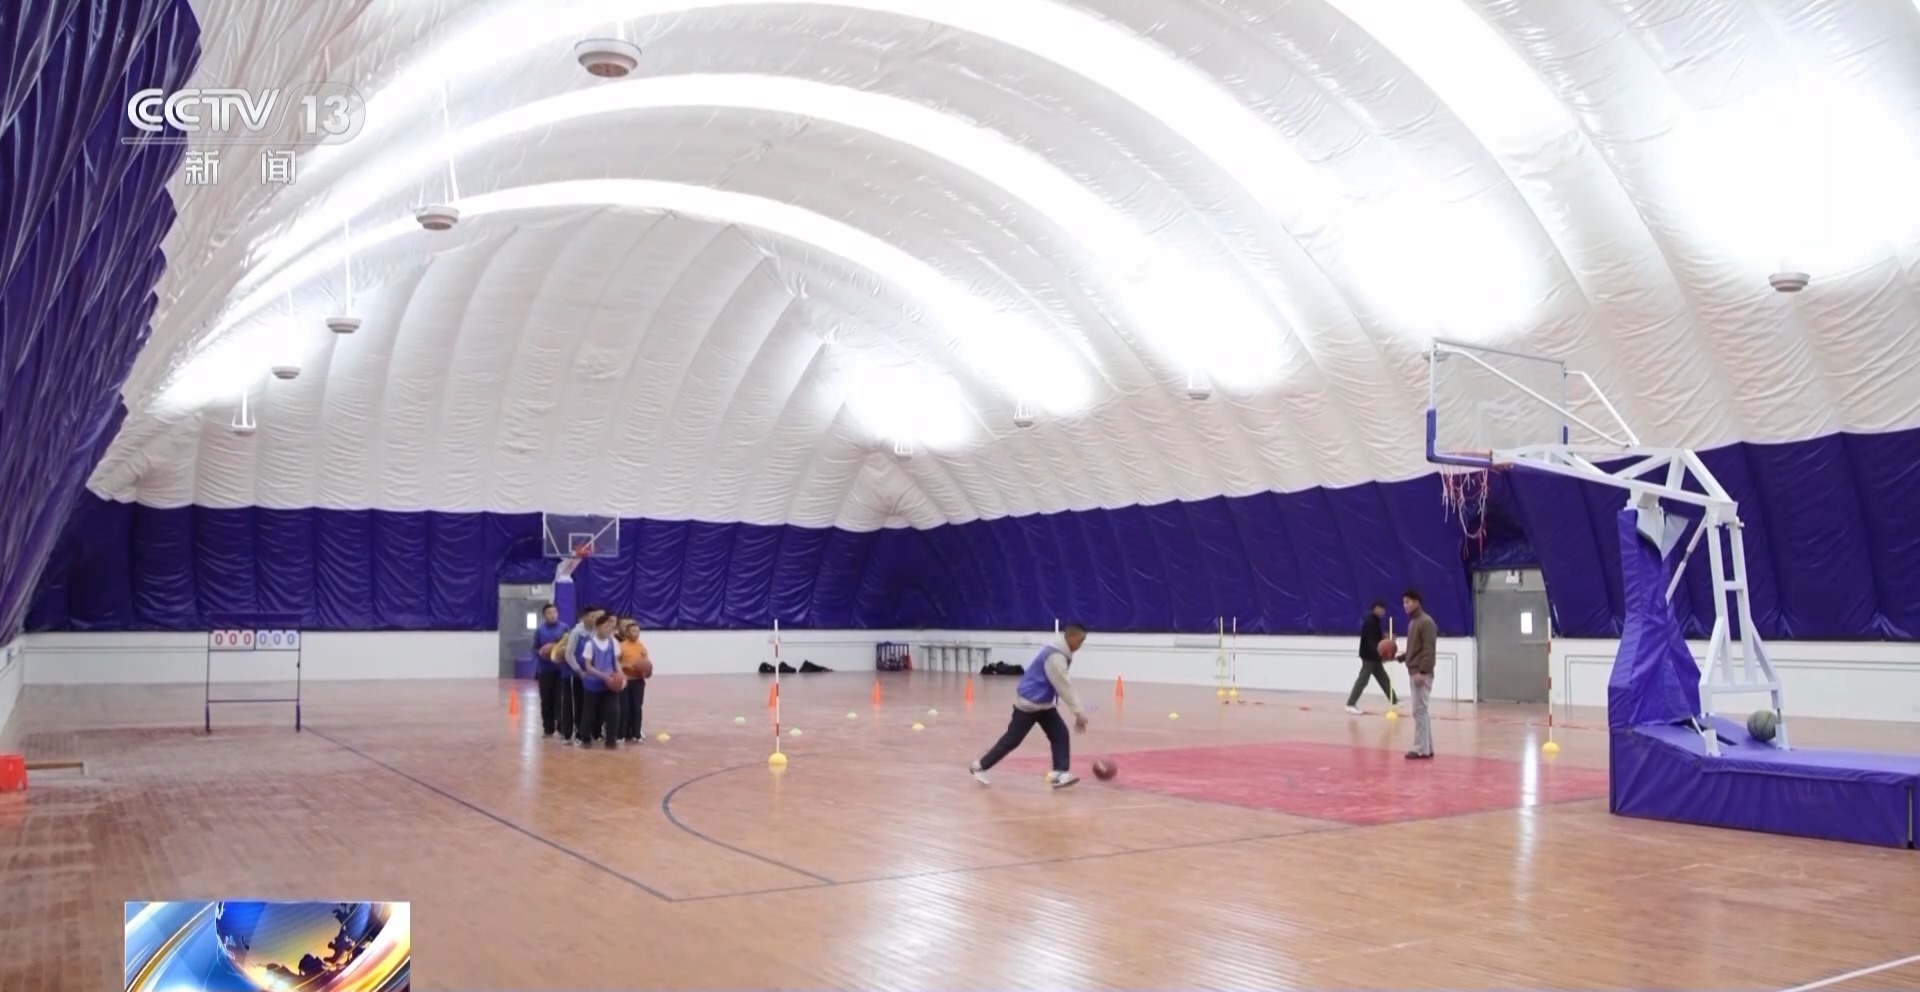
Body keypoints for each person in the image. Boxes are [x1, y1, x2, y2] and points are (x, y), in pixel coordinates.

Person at [969, 623, 1089, 789]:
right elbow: (1064, 686)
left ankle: (1060, 774)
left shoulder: (1060, 651)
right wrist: (1079, 712)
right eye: (1080, 641)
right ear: (1071, 636)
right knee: (1012, 740)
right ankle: (979, 766)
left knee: (1060, 734)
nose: (1080, 645)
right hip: (1030, 702)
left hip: (1043, 704)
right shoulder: (1055, 656)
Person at [559, 605, 605, 745]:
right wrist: (579, 670)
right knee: (575, 704)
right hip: (575, 674)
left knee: (589, 704)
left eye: (597, 617)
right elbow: (569, 654)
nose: (595, 619)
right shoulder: (576, 632)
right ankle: (573, 734)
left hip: (591, 675)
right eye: (593, 616)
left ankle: (590, 731)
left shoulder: (597, 632)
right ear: (584, 617)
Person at [576, 612, 622, 749]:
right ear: (597, 627)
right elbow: (588, 666)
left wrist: (621, 676)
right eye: (605, 627)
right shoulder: (590, 644)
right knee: (589, 712)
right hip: (593, 683)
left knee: (613, 711)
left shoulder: (613, 642)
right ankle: (585, 739)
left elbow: (616, 662)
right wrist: (604, 676)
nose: (608, 629)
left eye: (609, 627)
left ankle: (611, 739)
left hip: (610, 684)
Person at [1402, 589, 1437, 760]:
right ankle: (1427, 747)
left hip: (1420, 673)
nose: (1405, 605)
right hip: (1414, 671)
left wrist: (1422, 672)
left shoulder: (1426, 622)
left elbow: (1429, 650)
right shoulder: (1413, 623)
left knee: (1419, 711)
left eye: (1408, 602)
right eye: (1404, 602)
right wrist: (1398, 657)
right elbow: (1413, 650)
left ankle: (1419, 748)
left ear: (1416, 602)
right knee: (1421, 711)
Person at [1346, 601, 1398, 715]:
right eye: (1379, 608)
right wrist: (1381, 652)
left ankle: (1394, 701)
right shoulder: (1370, 622)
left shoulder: (1375, 622)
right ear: (1374, 609)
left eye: (1383, 609)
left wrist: (1385, 638)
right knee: (1363, 679)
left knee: (1383, 678)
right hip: (1369, 656)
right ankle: (1350, 704)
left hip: (1374, 656)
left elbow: (1376, 639)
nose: (1382, 611)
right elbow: (1371, 641)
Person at [533, 603, 569, 737]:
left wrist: (557, 649)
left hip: (561, 670)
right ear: (544, 615)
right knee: (546, 699)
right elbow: (534, 648)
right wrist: (541, 652)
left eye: (554, 612)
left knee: (561, 699)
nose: (552, 615)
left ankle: (562, 727)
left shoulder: (564, 628)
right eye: (549, 613)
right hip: (545, 670)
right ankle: (548, 728)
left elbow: (569, 645)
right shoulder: (540, 630)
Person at [617, 619, 649, 743]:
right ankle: (622, 734)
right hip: (626, 681)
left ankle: (636, 734)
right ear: (627, 633)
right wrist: (626, 666)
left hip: (638, 681)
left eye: (638, 631)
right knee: (624, 709)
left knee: (637, 708)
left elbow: (647, 664)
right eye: (633, 631)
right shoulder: (621, 647)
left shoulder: (641, 647)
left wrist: (646, 671)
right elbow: (616, 664)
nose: (636, 634)